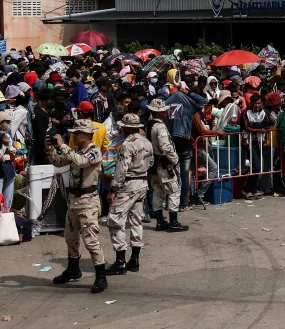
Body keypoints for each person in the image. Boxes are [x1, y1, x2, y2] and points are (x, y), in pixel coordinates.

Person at [48, 119, 107, 294]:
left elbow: (81, 162)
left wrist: (64, 146)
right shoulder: (76, 151)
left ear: (88, 135)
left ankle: (101, 276)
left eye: (77, 133)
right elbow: (59, 162)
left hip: (88, 201)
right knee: (70, 236)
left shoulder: (94, 152)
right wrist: (50, 149)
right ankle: (73, 268)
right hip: (73, 200)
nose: (74, 135)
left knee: (91, 240)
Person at [105, 113, 152, 276]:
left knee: (115, 221)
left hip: (128, 185)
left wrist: (113, 189)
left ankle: (120, 261)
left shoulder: (127, 144)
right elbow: (151, 162)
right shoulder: (146, 142)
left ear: (126, 128)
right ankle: (135, 259)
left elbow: (121, 170)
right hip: (142, 183)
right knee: (136, 220)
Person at [146, 99, 187, 231]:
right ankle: (173, 222)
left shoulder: (150, 125)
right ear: (160, 113)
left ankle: (160, 221)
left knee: (158, 192)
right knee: (173, 191)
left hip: (154, 165)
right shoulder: (160, 127)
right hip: (164, 164)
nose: (165, 113)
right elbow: (166, 148)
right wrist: (174, 160)